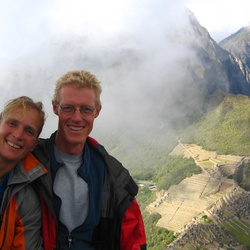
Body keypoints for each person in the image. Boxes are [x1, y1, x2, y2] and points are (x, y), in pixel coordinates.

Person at [33, 70, 147, 249]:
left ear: (97, 111)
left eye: (86, 109)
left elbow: (132, 240)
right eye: (68, 108)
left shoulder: (113, 177)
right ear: (55, 107)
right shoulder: (30, 163)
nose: (77, 118)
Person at [0, 96, 47, 249]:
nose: (18, 135)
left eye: (28, 131)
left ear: (34, 144)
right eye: (12, 123)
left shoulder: (25, 201)